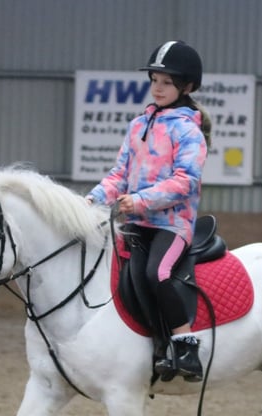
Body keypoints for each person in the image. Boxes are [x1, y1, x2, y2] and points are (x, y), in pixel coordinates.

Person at [86, 40, 212, 382]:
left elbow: (185, 181)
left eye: (167, 82)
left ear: (185, 87)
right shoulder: (137, 125)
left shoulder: (188, 131)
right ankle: (151, 345)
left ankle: (186, 345)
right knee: (121, 273)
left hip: (171, 225)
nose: (158, 87)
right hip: (136, 222)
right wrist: (92, 200)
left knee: (157, 274)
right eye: (155, 80)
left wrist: (139, 200)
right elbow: (119, 175)